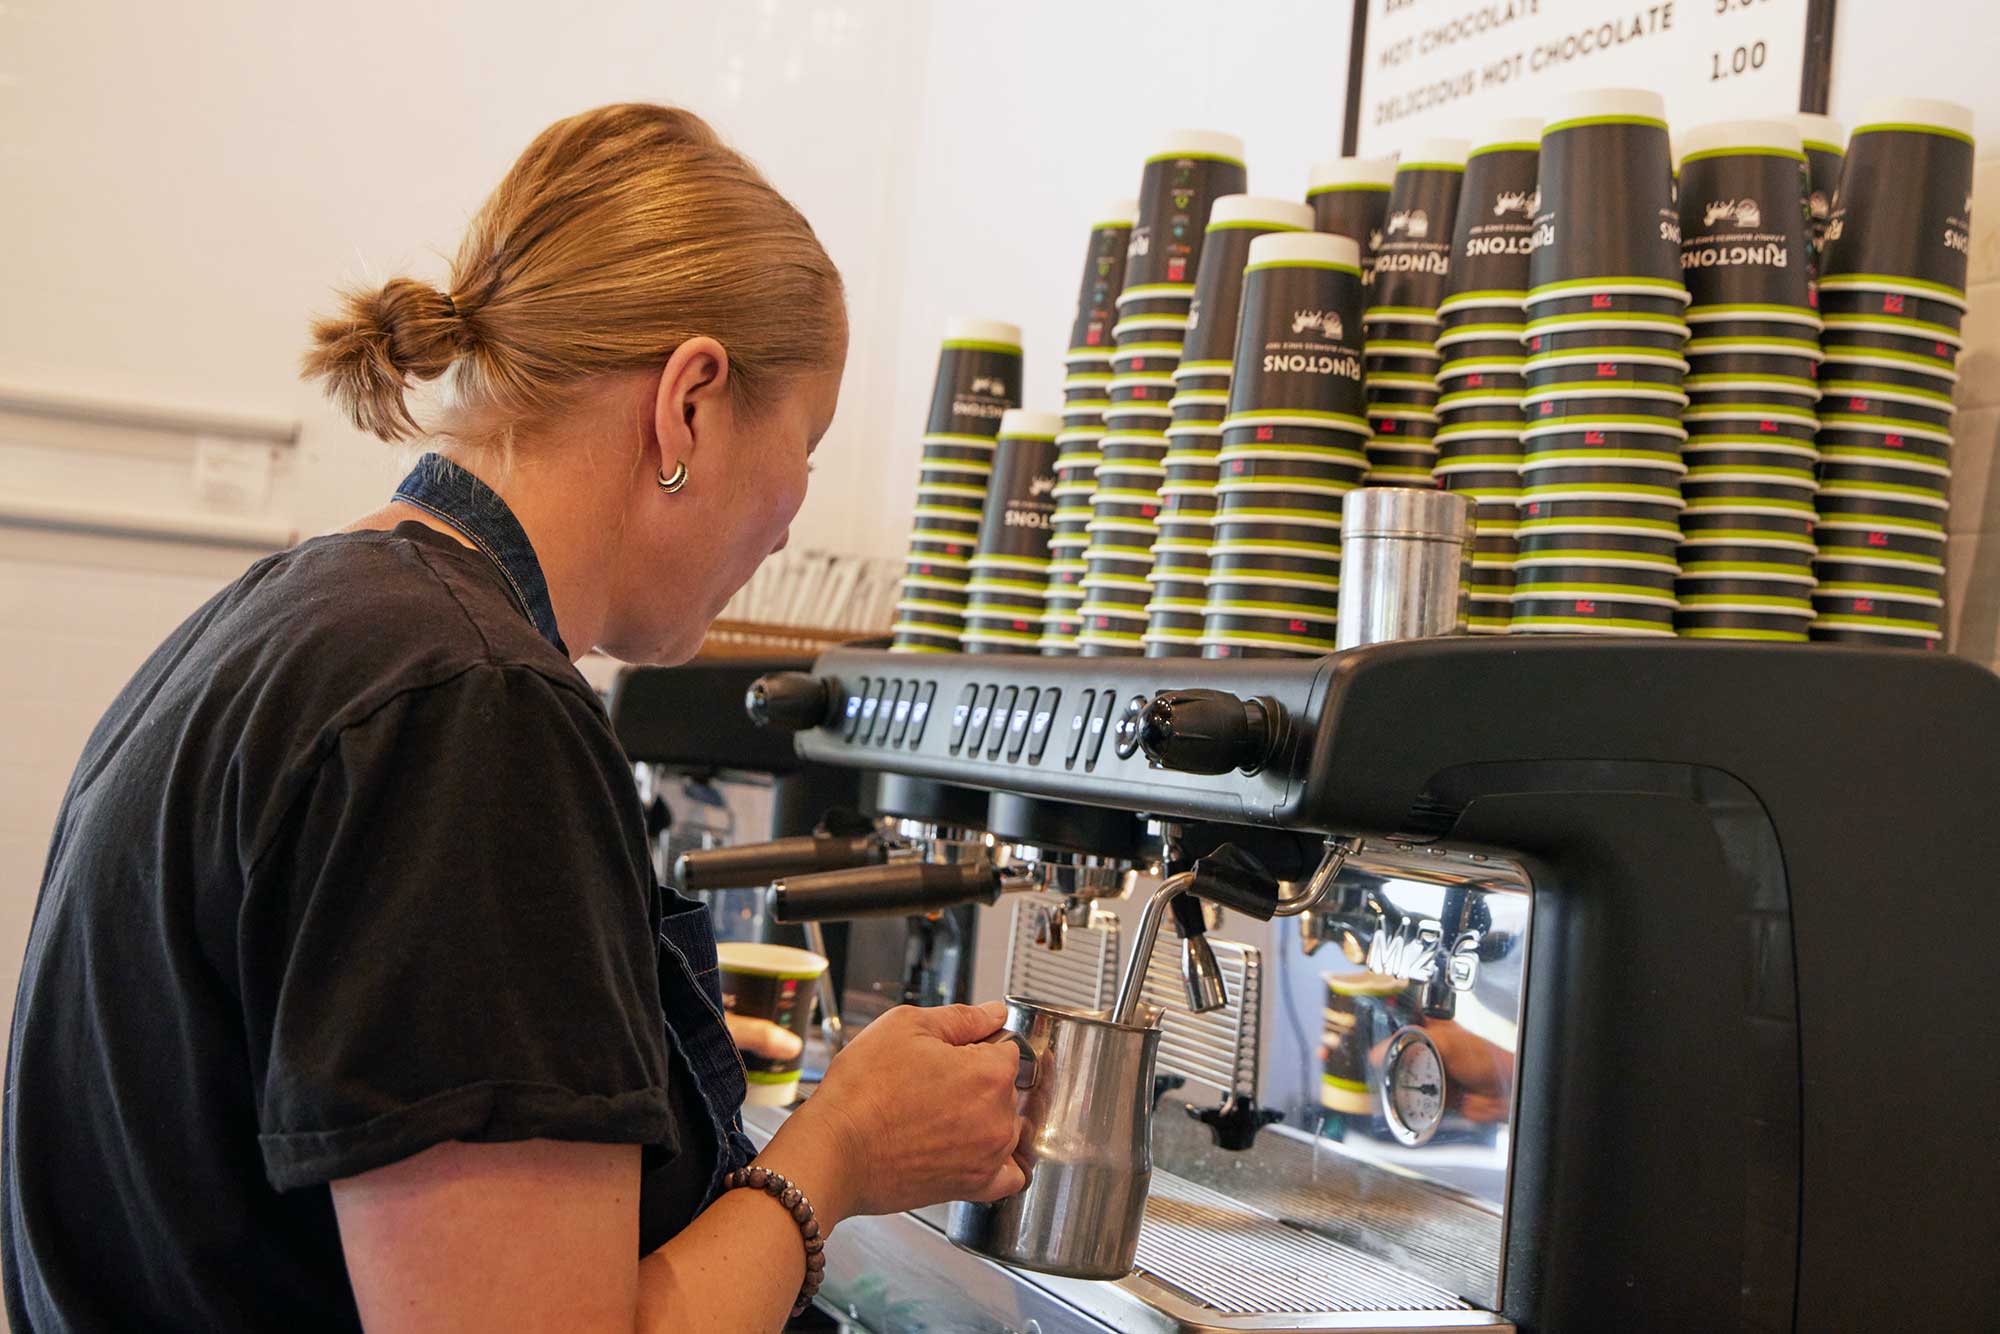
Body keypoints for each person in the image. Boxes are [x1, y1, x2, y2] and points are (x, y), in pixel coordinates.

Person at [2, 103, 1027, 1332]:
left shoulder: (294, 620)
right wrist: (842, 1145)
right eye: (803, 447)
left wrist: (620, 1059)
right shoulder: (472, 711)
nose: (789, 519)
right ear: (690, 403)